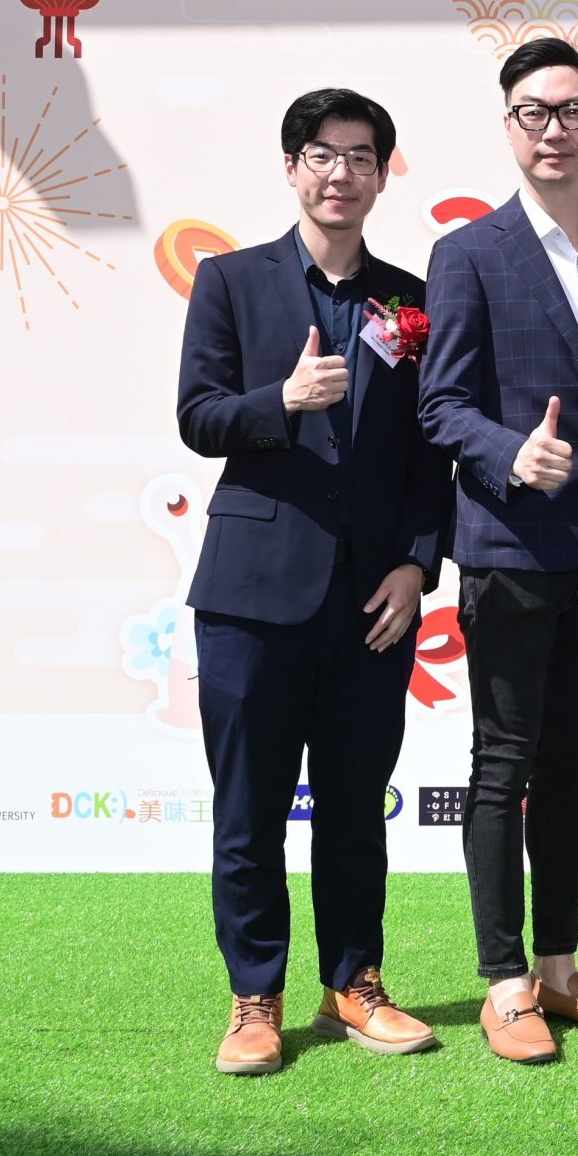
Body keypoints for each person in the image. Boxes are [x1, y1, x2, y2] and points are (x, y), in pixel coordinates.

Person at [177, 86, 453, 1076]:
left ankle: (355, 983)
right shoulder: (230, 280)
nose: (343, 173)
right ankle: (255, 996)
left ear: (382, 174)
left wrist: (417, 563)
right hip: (252, 594)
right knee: (248, 808)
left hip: (370, 603)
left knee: (353, 805)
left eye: (362, 157)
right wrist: (282, 400)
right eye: (324, 155)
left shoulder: (406, 299)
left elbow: (428, 449)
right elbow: (198, 415)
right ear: (293, 167)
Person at [419, 36, 578, 1064]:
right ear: (509, 124)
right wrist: (511, 452)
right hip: (511, 546)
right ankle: (503, 980)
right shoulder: (470, 253)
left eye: (570, 110)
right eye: (533, 111)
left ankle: (560, 967)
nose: (552, 129)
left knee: (570, 767)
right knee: (503, 764)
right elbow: (439, 404)